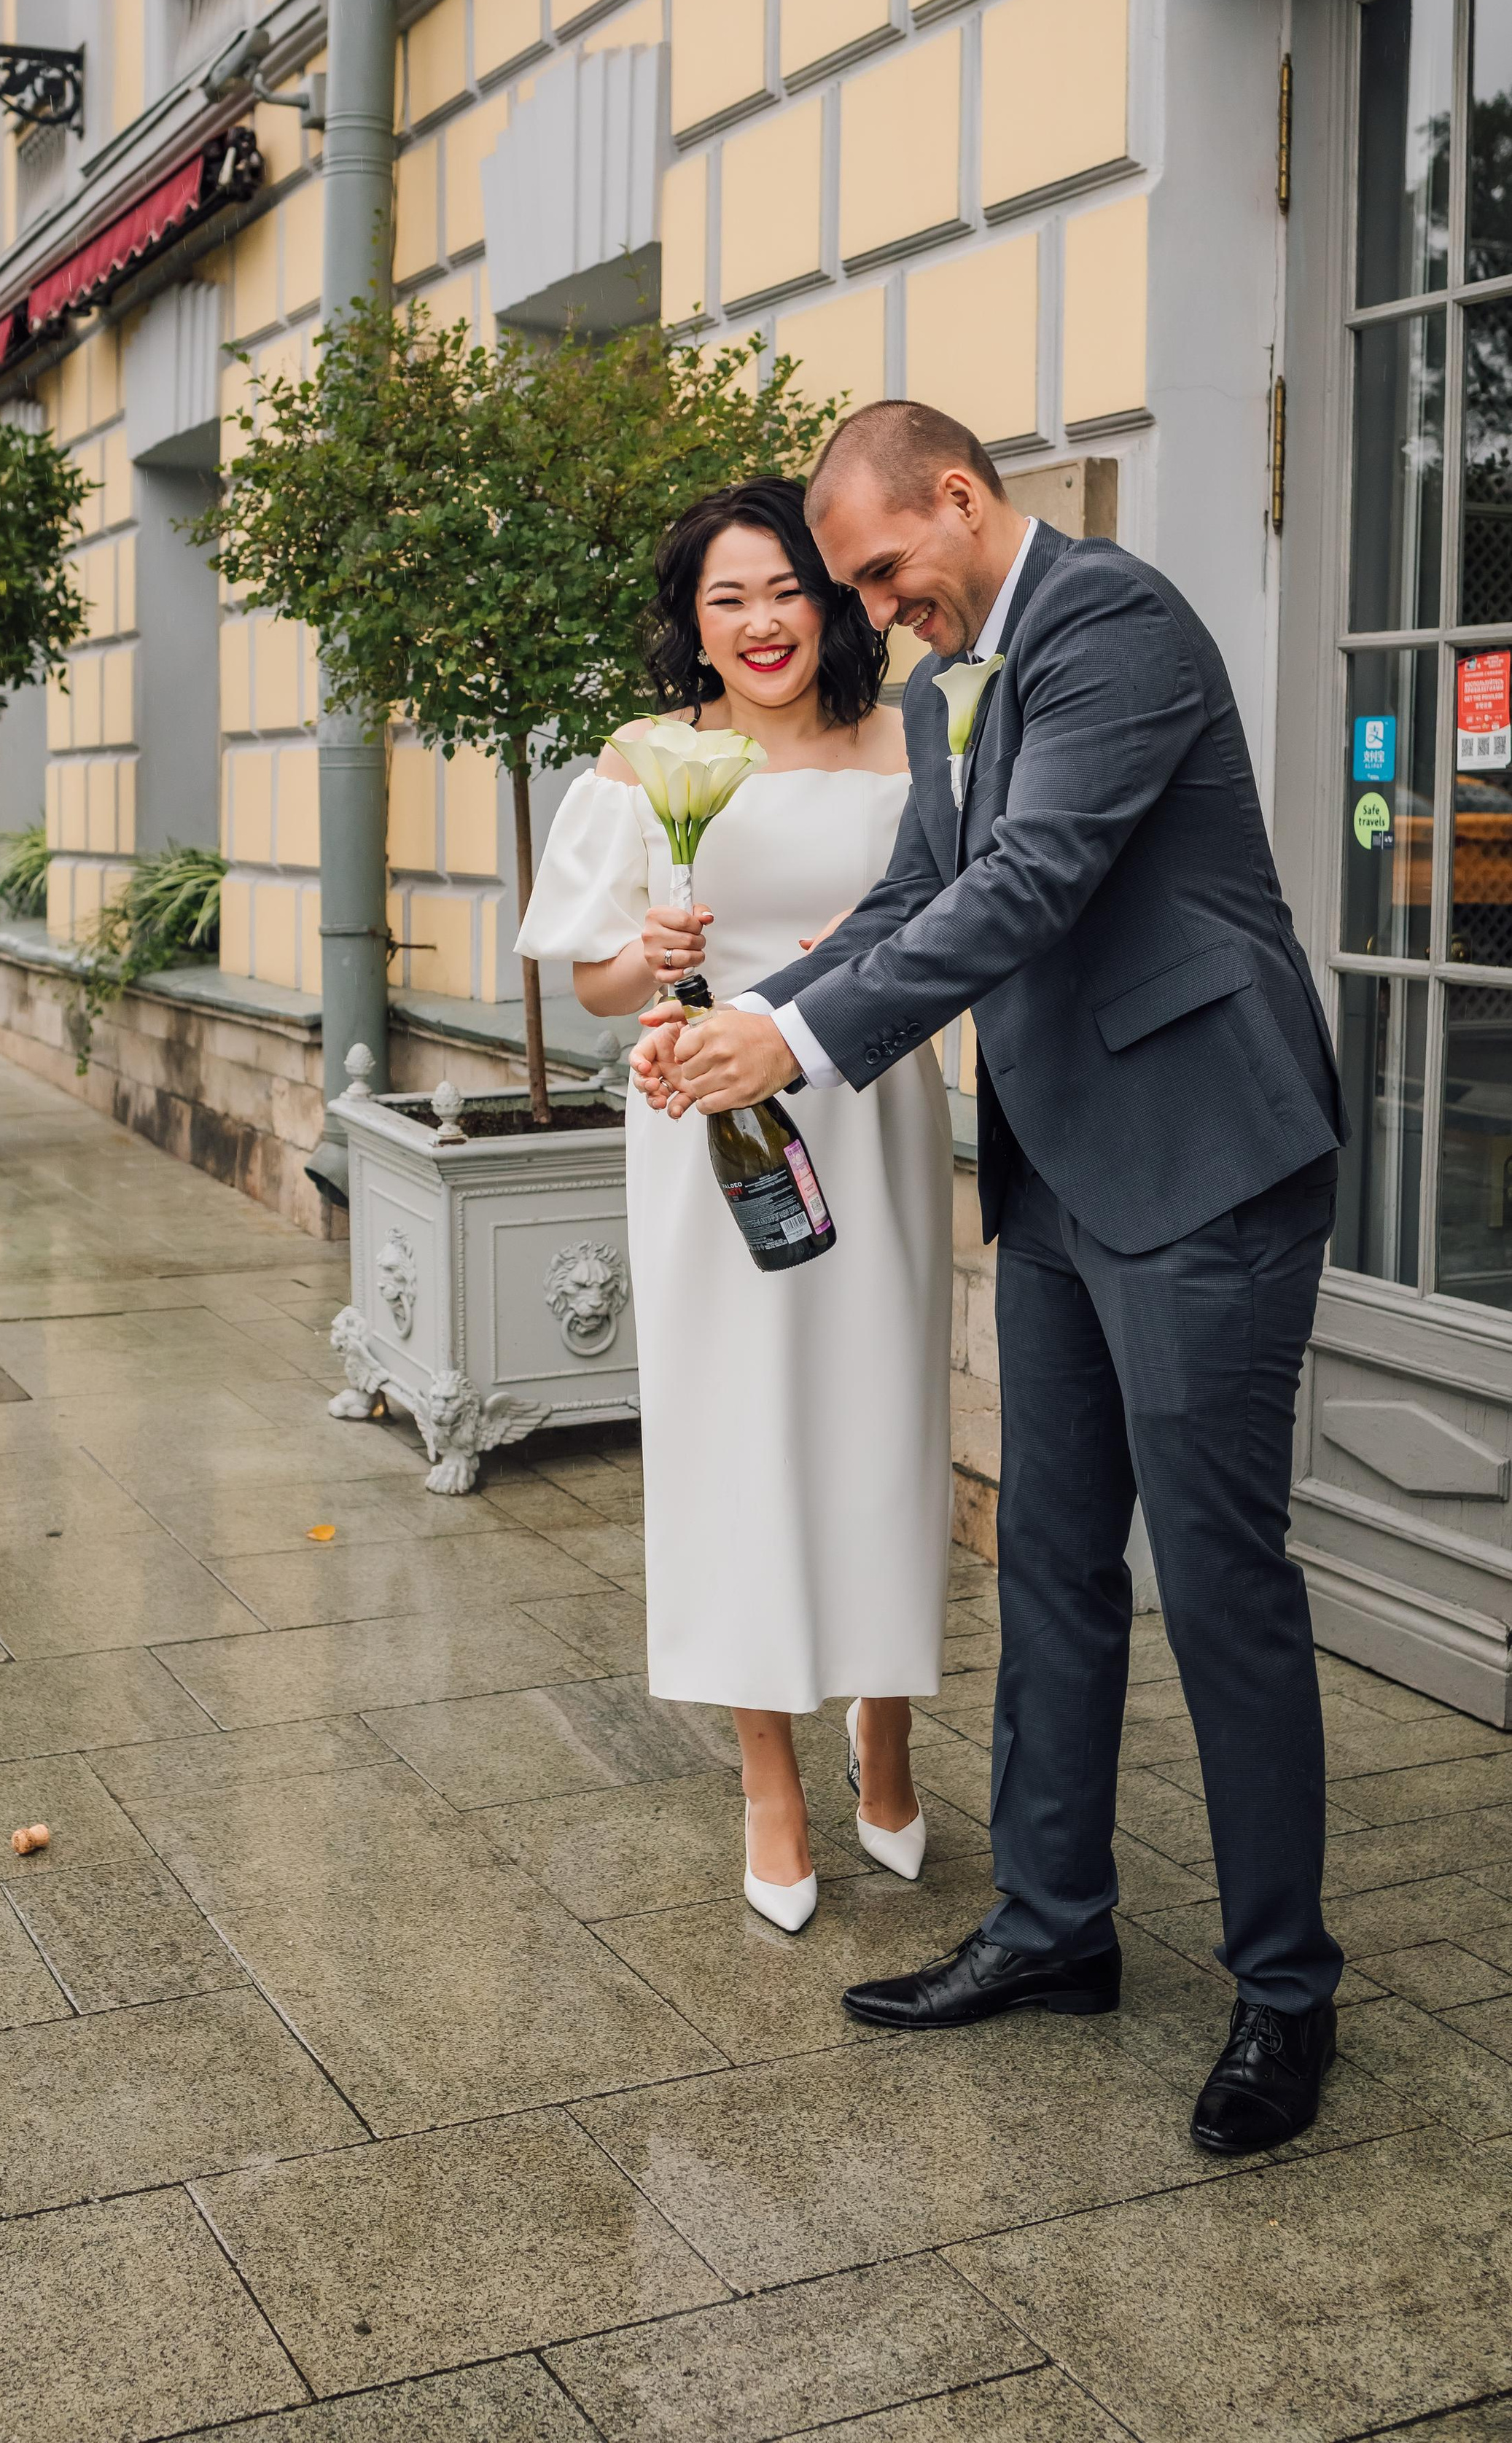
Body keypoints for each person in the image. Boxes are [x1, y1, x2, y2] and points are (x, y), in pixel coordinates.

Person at [633, 403, 1349, 2159]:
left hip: (1202, 1164)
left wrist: (790, 1042)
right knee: (1045, 1562)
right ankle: (1051, 1928)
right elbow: (918, 886)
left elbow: (1029, 884)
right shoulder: (955, 682)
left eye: (883, 568)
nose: (874, 608)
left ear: (959, 499)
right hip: (1055, 1177)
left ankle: (1283, 1990)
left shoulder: (1115, 623)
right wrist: (750, 1023)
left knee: (1216, 1580)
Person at [517, 478, 954, 1932]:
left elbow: (959, 919)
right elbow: (584, 978)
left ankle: (881, 1728)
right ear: (691, 626)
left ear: (831, 600)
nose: (759, 622)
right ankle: (766, 1777)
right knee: (733, 1440)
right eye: (726, 598)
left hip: (872, 1112)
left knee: (883, 1422)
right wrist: (644, 955)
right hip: (708, 1119)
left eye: (784, 590)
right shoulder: (646, 758)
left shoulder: (910, 746)